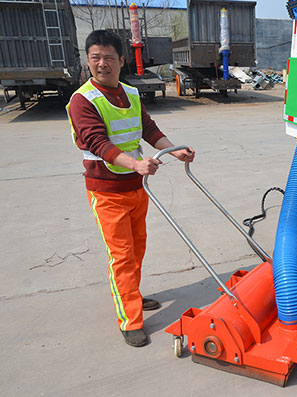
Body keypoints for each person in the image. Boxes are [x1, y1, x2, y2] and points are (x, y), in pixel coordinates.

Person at [66, 30, 195, 347]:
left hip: (137, 189)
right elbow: (97, 142)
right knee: (122, 256)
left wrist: (174, 149)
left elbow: (149, 129)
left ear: (121, 61)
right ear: (88, 60)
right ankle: (130, 319)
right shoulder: (83, 101)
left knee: (137, 249)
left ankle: (132, 297)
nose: (102, 64)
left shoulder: (130, 94)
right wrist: (136, 164)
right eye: (95, 57)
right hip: (107, 191)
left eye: (108, 57)